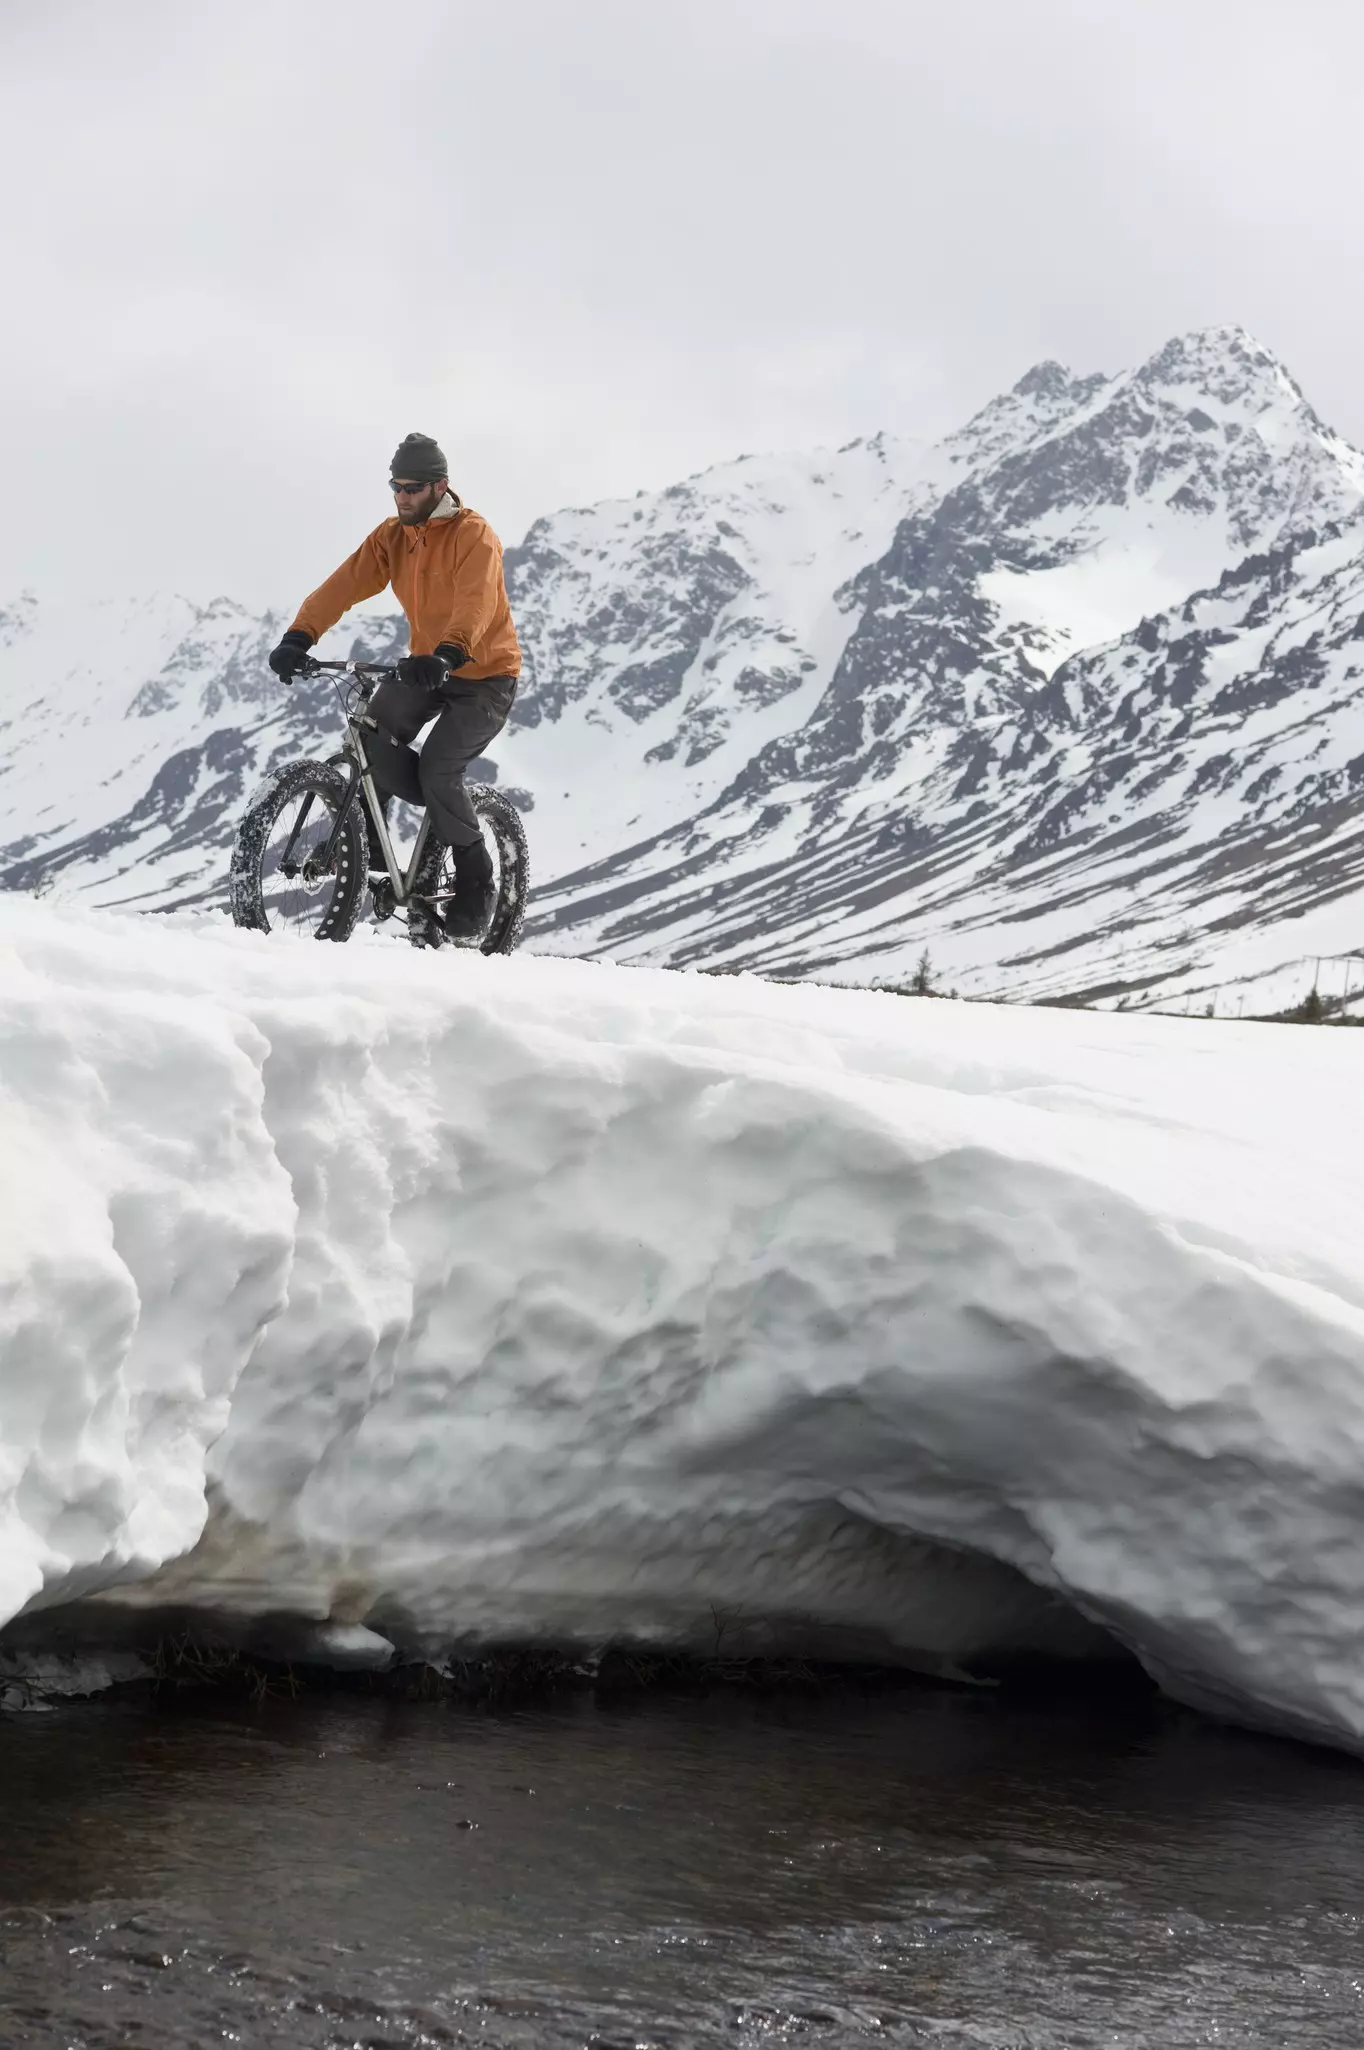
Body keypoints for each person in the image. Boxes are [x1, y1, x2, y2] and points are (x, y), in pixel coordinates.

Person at [268, 432, 521, 945]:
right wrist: (299, 636)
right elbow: (343, 584)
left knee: (438, 768)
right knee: (371, 733)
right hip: (427, 669)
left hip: (483, 676)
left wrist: (447, 654)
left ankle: (476, 874)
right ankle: (371, 845)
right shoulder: (392, 537)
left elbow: (476, 604)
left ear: (440, 486)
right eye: (396, 487)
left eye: (413, 488)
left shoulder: (474, 535)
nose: (402, 497)